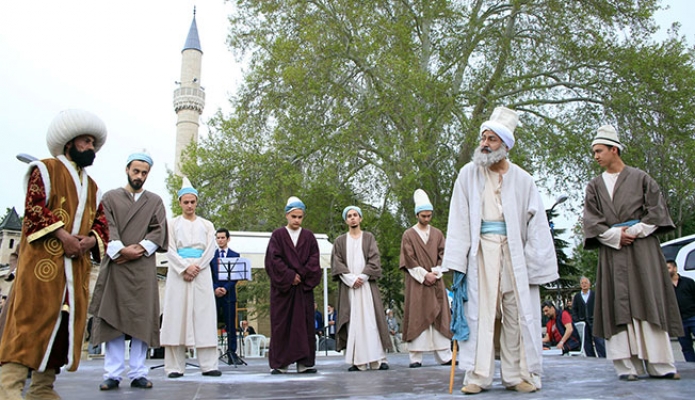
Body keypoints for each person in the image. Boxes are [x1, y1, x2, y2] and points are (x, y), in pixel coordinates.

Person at [442, 106, 558, 394]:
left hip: (513, 253)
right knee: (481, 312)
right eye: (483, 138)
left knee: (515, 312)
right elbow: (458, 218)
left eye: (492, 139)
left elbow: (537, 225)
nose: (485, 144)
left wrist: (533, 263)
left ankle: (517, 374)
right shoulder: (468, 174)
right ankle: (478, 375)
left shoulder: (523, 179)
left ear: (504, 145)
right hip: (481, 252)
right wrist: (457, 262)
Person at [0, 109, 110, 400]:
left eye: (92, 142)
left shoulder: (94, 187)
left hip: (74, 273)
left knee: (62, 330)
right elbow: (34, 209)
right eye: (85, 142)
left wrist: (87, 242)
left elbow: (101, 224)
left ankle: (42, 389)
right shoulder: (45, 169)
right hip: (41, 268)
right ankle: (8, 389)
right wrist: (64, 238)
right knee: (29, 324)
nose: (90, 148)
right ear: (69, 143)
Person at [583, 125, 682, 381]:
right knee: (618, 303)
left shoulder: (641, 178)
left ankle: (660, 364)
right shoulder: (594, 186)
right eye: (594, 152)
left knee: (647, 296)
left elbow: (657, 211)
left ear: (614, 150)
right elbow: (591, 221)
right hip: (613, 251)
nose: (596, 156)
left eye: (599, 151)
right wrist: (616, 235)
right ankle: (627, 366)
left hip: (642, 250)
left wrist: (635, 231)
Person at [89, 151, 168, 390]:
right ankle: (112, 373)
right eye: (136, 171)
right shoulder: (110, 198)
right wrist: (120, 251)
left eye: (144, 173)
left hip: (143, 266)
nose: (140, 176)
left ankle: (138, 372)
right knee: (113, 317)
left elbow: (159, 230)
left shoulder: (154, 201)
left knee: (141, 319)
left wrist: (139, 249)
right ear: (127, 170)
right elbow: (105, 226)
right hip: (116, 265)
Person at [160, 178, 221, 378]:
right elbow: (169, 249)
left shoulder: (207, 224)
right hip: (179, 274)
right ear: (180, 203)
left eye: (192, 202)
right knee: (176, 315)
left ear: (196, 202)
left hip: (201, 273)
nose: (189, 205)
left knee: (204, 316)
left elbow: (211, 248)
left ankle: (209, 364)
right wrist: (185, 267)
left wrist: (197, 267)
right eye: (185, 202)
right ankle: (174, 366)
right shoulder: (172, 224)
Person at [265, 196, 322, 374]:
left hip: (303, 291)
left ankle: (304, 363)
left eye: (300, 217)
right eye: (293, 216)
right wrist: (290, 276)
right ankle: (281, 364)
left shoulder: (309, 237)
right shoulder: (278, 235)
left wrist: (302, 275)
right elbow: (273, 260)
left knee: (304, 326)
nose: (297, 220)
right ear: (287, 216)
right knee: (282, 325)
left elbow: (314, 259)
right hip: (284, 292)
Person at [331, 206, 391, 371]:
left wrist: (362, 277)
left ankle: (377, 360)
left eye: (355, 215)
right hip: (349, 288)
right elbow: (337, 262)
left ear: (360, 218)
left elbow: (374, 259)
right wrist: (351, 279)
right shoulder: (340, 241)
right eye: (349, 216)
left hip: (367, 287)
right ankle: (358, 361)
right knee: (354, 322)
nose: (352, 218)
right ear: (346, 220)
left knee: (371, 321)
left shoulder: (369, 238)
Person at [399, 189, 452, 368]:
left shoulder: (437, 234)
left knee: (441, 314)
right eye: (424, 216)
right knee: (417, 314)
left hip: (436, 281)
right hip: (418, 282)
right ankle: (415, 357)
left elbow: (444, 254)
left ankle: (445, 355)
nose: (427, 219)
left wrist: (436, 272)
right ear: (417, 215)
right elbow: (408, 258)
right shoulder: (408, 235)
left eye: (429, 216)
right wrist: (424, 275)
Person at [210, 228, 242, 364]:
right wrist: (216, 288)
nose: (220, 240)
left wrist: (226, 288)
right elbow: (208, 276)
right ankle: (211, 353)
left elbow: (236, 276)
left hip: (229, 295)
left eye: (223, 237)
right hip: (214, 295)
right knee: (211, 324)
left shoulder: (235, 254)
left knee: (230, 325)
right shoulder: (211, 255)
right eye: (218, 238)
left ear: (228, 239)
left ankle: (232, 353)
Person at [667, 260, 695, 362]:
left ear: (675, 268)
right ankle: (692, 365)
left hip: (692, 316)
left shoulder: (688, 282)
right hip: (678, 320)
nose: (667, 271)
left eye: (669, 268)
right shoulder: (664, 286)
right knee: (686, 346)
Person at [571, 277, 606, 357]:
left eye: (586, 283)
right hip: (583, 322)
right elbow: (574, 309)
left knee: (599, 340)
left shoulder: (594, 295)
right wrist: (576, 319)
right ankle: (591, 358)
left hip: (594, 321)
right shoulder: (577, 296)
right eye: (582, 283)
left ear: (589, 284)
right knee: (586, 342)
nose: (584, 285)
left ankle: (603, 357)